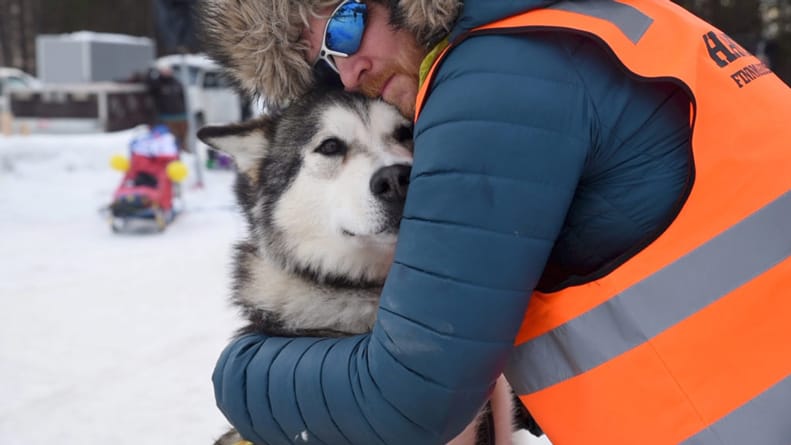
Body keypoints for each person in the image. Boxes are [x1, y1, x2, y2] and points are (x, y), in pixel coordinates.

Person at [200, 1, 791, 443]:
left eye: (346, 25)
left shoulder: (491, 77)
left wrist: (238, 370)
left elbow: (410, 397)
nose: (349, 69)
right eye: (325, 56)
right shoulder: (597, 18)